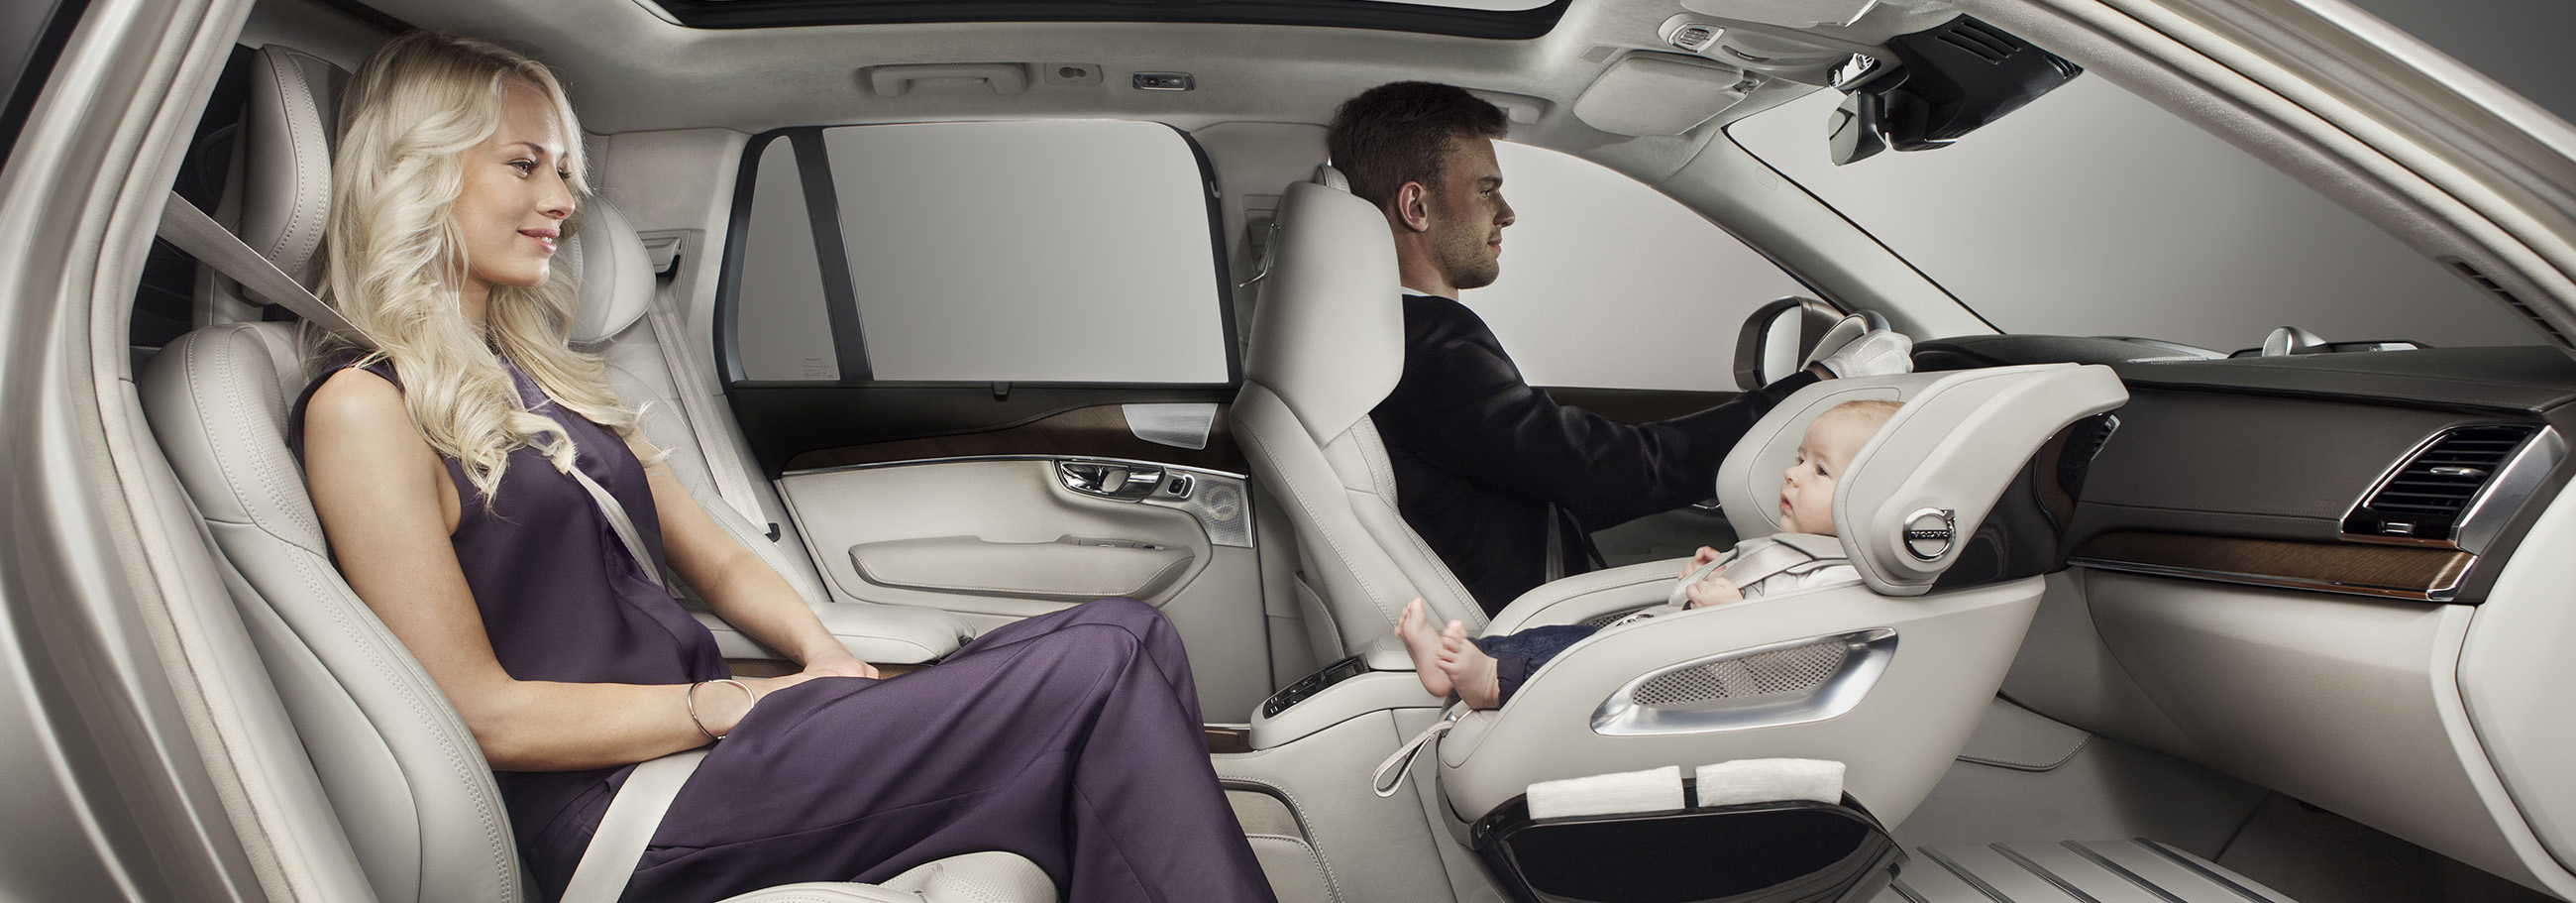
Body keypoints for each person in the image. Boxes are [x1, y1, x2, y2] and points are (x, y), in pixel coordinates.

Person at [291, 32, 1275, 903]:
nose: (562, 200)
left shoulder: (541, 382)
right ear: (419, 173)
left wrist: (822, 656)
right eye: (524, 165)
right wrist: (717, 703)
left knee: (1135, 631)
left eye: (564, 170)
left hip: (723, 752)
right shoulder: (363, 411)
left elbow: (718, 560)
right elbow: (481, 714)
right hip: (628, 810)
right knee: (1104, 661)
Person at [1326, 81, 1911, 616]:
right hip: (1535, 629)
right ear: (1417, 207)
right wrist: (1817, 386)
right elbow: (1605, 472)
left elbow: (1552, 456)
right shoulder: (1430, 343)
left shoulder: (1387, 337)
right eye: (1486, 190)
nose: (1506, 213)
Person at [1394, 399, 1898, 709]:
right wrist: (1706, 577)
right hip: (1685, 650)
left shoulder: (1839, 580)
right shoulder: (1786, 549)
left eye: (1820, 471)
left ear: (1876, 498)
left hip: (1713, 685)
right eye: (1799, 459)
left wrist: (1735, 612)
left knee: (1580, 663)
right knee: (1565, 638)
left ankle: (1491, 683)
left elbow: (1803, 662)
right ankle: (1469, 661)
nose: (1792, 473)